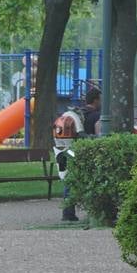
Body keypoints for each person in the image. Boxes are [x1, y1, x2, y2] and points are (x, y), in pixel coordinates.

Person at [55, 87, 101, 222]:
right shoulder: (97, 115)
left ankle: (68, 213)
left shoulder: (78, 114)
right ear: (96, 100)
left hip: (71, 150)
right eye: (100, 99)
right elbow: (99, 134)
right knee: (94, 182)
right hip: (88, 152)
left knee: (70, 181)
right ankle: (97, 214)